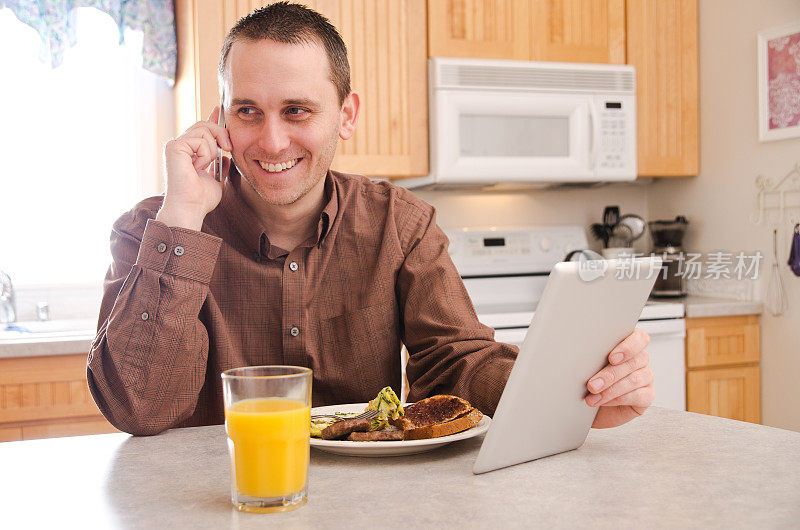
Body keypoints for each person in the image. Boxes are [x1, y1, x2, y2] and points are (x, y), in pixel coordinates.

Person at [87, 2, 654, 436]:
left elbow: (457, 364)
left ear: (346, 116)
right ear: (219, 119)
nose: (272, 139)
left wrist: (575, 393)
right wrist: (184, 216)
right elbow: (140, 407)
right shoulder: (154, 231)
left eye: (297, 110)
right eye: (247, 111)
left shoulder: (398, 225)